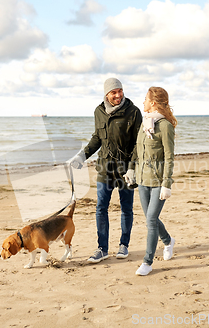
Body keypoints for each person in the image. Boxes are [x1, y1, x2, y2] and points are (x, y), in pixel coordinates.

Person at [69, 78, 142, 263]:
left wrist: (132, 167)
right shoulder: (99, 111)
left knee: (126, 208)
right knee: (101, 207)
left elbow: (138, 144)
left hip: (126, 169)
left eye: (120, 91)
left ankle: (124, 245)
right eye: (114, 92)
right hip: (104, 167)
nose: (118, 95)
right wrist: (82, 156)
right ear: (107, 94)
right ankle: (102, 248)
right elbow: (97, 138)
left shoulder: (133, 112)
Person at [124, 86, 177, 276]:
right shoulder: (145, 123)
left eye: (146, 99)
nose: (143, 102)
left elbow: (170, 157)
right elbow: (137, 150)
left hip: (158, 181)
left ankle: (147, 262)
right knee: (150, 219)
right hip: (142, 179)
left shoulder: (165, 126)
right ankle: (168, 240)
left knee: (151, 221)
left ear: (153, 102)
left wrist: (167, 184)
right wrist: (131, 169)